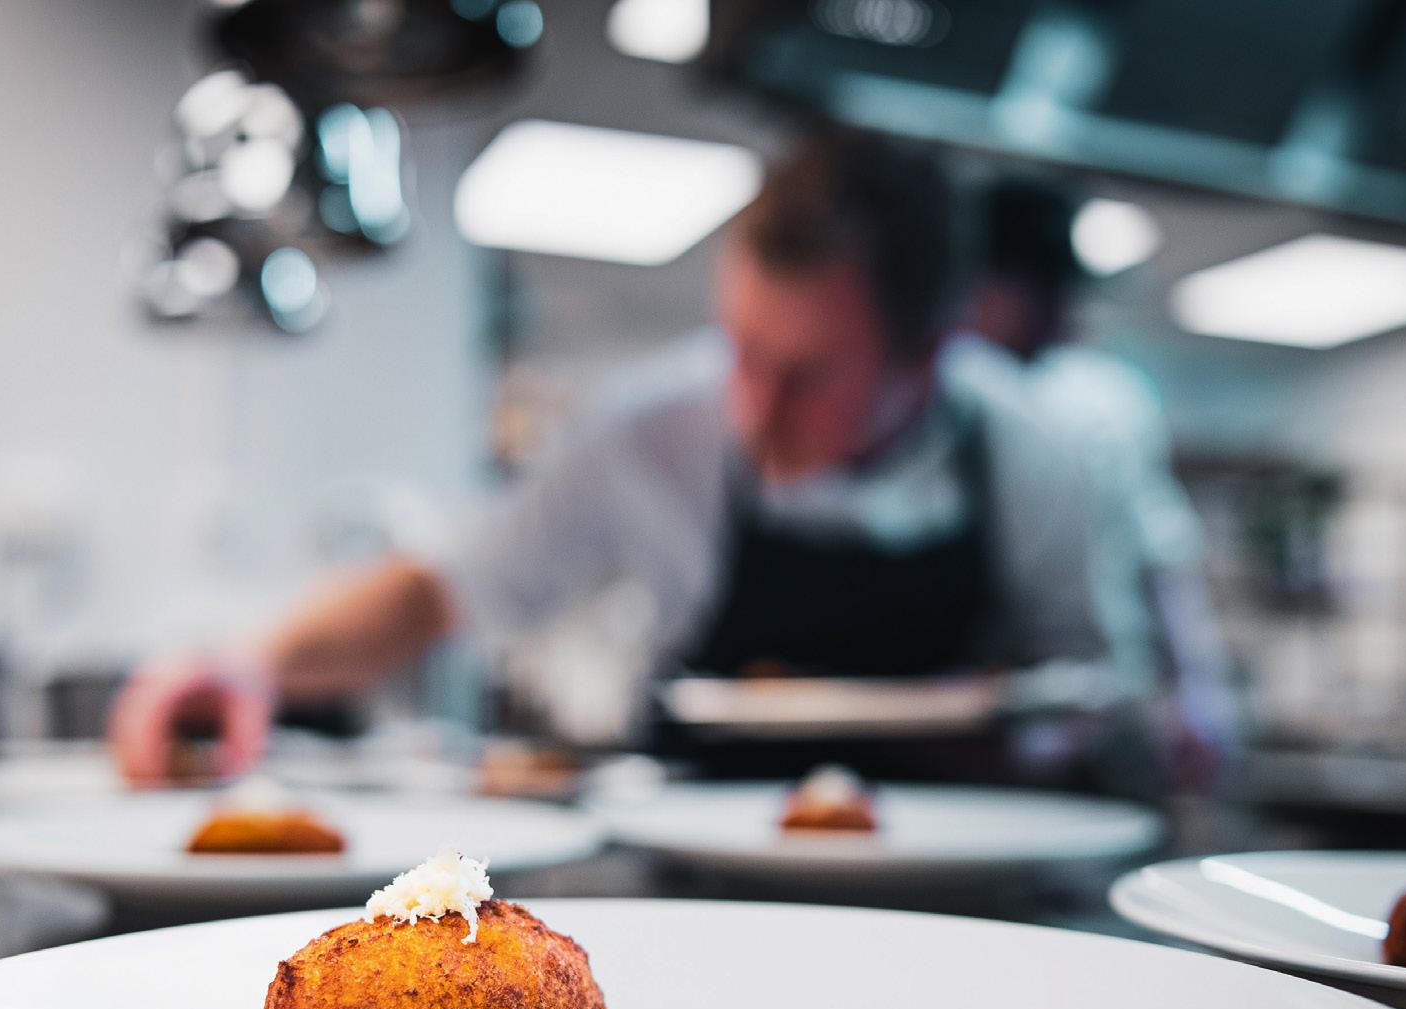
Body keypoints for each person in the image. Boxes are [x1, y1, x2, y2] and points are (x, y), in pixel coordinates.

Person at [112, 131, 1116, 785]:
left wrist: (1023, 731)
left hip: (958, 876)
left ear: (927, 357)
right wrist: (246, 667)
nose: (754, 404)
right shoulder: (652, 426)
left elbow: (1089, 688)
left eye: (806, 375)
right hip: (701, 878)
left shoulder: (1035, 450)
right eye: (741, 349)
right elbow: (442, 587)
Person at [959, 175, 1236, 790]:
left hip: (1107, 717)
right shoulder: (949, 400)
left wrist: (1199, 696)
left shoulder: (1108, 400)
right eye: (1048, 291)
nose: (1065, 312)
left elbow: (1165, 562)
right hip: (984, 728)